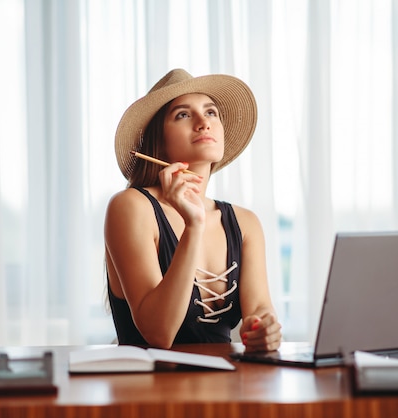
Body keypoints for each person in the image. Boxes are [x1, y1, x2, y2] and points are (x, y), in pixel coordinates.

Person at [105, 68, 282, 352]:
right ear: (158, 139)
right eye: (183, 115)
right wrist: (193, 226)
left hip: (226, 388)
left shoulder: (245, 223)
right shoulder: (130, 207)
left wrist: (264, 329)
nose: (203, 122)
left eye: (211, 112)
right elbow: (158, 333)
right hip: (146, 391)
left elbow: (260, 309)